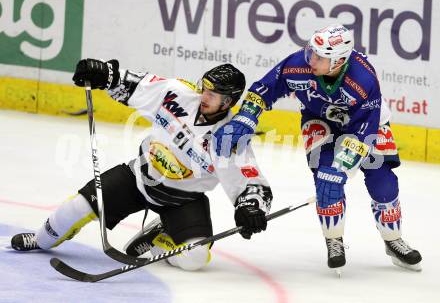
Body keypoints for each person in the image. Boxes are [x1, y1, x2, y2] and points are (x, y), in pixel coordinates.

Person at [10, 59, 273, 271]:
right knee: (76, 208)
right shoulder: (177, 93)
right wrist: (105, 74)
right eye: (205, 88)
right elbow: (134, 85)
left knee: (195, 259)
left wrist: (251, 207)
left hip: (184, 199)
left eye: (213, 94)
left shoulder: (230, 137)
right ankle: (41, 239)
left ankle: (160, 238)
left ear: (228, 101)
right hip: (138, 177)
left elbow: (251, 183)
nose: (205, 96)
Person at [213, 24, 422, 272]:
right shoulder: (298, 64)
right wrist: (246, 117)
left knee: (382, 182)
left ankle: (393, 240)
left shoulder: (363, 79)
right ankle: (334, 240)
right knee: (325, 182)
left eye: (320, 56)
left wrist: (343, 164)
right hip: (319, 121)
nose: (311, 58)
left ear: (339, 61)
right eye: (311, 50)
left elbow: (364, 129)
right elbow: (265, 88)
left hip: (366, 126)